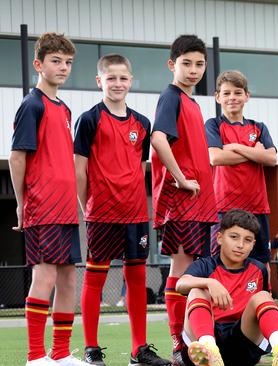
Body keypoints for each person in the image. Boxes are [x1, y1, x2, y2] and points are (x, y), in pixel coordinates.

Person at [74, 54, 170, 365]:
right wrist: (87, 204)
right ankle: (91, 349)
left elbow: (142, 167)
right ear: (99, 81)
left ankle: (138, 350)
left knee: (137, 279)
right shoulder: (89, 119)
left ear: (130, 81)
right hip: (101, 214)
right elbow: (79, 170)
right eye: (111, 78)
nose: (117, 83)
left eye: (123, 78)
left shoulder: (142, 123)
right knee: (95, 279)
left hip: (135, 214)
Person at [9, 32, 90, 366]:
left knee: (69, 277)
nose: (63, 67)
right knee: (44, 276)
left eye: (68, 62)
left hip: (66, 207)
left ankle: (59, 354)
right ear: (38, 64)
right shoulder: (31, 105)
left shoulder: (65, 108)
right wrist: (21, 202)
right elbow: (17, 157)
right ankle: (35, 356)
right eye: (56, 61)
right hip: (43, 205)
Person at [150, 34, 219, 363]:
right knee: (182, 271)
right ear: (172, 64)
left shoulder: (192, 102)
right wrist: (180, 178)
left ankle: (195, 341)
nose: (193, 70)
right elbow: (158, 138)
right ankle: (179, 345)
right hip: (182, 202)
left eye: (199, 64)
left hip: (200, 203)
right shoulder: (171, 97)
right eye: (186, 63)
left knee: (194, 272)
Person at [176, 209, 278, 366]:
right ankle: (209, 349)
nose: (240, 245)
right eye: (234, 237)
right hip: (203, 344)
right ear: (219, 238)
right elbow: (180, 284)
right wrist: (209, 283)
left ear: (253, 244)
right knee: (196, 291)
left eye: (247, 240)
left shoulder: (259, 269)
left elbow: (262, 312)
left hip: (241, 345)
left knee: (263, 296)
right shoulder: (205, 265)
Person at [205, 70, 277, 265]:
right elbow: (216, 157)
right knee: (221, 263)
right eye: (226, 93)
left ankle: (263, 296)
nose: (232, 98)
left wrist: (236, 147)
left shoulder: (258, 127)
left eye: (237, 92)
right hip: (223, 207)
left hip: (257, 208)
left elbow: (271, 158)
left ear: (247, 96)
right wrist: (254, 153)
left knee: (261, 263)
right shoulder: (212, 125)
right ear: (218, 97)